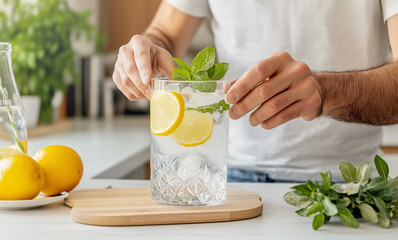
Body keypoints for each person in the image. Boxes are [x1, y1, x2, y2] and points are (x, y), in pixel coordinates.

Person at [112, 0, 398, 182]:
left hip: (351, 182)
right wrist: (146, 48)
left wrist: (325, 92)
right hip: (233, 179)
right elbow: (164, 33)